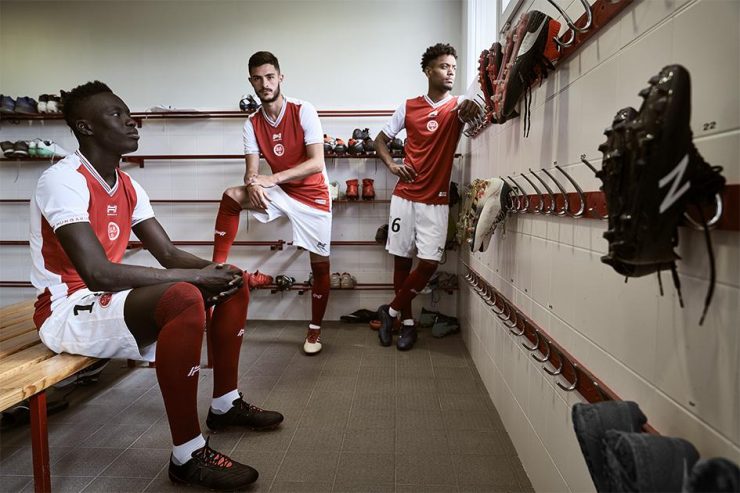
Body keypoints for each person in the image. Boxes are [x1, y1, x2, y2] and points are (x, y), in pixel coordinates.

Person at [30, 81, 282, 491]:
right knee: (183, 296)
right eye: (115, 114)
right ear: (85, 127)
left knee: (231, 279)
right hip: (65, 311)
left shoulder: (128, 185)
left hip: (103, 299)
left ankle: (225, 404)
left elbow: (167, 253)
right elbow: (98, 273)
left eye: (128, 112)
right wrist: (198, 277)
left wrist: (220, 271)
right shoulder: (62, 179)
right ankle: (186, 455)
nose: (131, 121)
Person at [212, 51, 332, 355]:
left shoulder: (304, 110)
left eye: (269, 77)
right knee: (232, 195)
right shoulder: (251, 123)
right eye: (257, 78)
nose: (264, 83)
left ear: (280, 77)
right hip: (279, 191)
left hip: (312, 195)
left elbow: (316, 163)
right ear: (251, 81)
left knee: (319, 266)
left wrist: (272, 179)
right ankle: (216, 269)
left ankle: (315, 331)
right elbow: (251, 169)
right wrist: (253, 180)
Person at [374, 43, 480, 350]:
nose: (450, 72)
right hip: (405, 196)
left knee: (430, 262)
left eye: (454, 68)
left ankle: (390, 312)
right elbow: (380, 140)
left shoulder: (459, 105)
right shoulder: (408, 106)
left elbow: (475, 114)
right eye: (444, 67)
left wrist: (475, 110)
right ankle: (407, 324)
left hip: (437, 199)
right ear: (428, 70)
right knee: (402, 260)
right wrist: (392, 165)